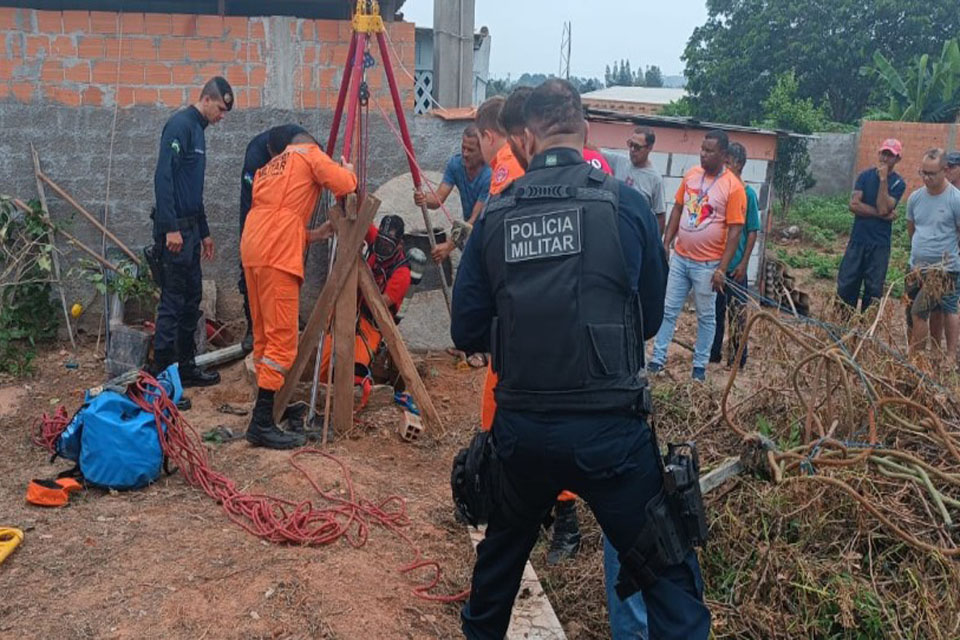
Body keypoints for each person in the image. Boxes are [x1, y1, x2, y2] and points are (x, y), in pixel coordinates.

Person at [452, 78, 708, 640]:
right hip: (611, 437)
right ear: (584, 131)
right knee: (672, 583)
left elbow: (465, 329)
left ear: (526, 138)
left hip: (521, 434)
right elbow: (649, 318)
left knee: (495, 578)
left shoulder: (496, 215)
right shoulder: (626, 204)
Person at [241, 130, 357, 449]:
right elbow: (345, 185)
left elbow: (276, 217)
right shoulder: (310, 154)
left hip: (253, 249)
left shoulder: (270, 167)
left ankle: (270, 406)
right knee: (282, 342)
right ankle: (261, 423)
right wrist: (348, 170)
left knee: (264, 337)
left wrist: (314, 234)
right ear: (310, 144)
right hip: (277, 256)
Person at [151, 76, 233, 387]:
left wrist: (205, 231)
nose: (222, 116)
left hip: (191, 232)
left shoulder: (199, 131)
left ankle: (185, 369)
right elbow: (164, 177)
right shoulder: (180, 126)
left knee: (191, 300)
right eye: (221, 109)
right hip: (175, 234)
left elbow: (192, 190)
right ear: (207, 99)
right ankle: (161, 380)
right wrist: (170, 228)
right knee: (172, 303)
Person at [649, 130, 746, 381]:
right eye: (702, 149)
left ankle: (699, 367)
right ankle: (657, 359)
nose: (703, 154)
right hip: (681, 258)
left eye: (709, 151)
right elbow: (678, 208)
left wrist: (721, 268)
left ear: (723, 154)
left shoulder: (733, 187)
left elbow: (735, 231)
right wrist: (666, 241)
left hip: (707, 265)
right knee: (669, 309)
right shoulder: (692, 175)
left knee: (706, 316)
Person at [238, 124, 308, 353]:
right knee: (251, 268)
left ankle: (288, 316)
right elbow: (251, 202)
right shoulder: (256, 156)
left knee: (287, 270)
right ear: (271, 152)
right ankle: (254, 326)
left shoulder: (301, 142)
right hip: (256, 214)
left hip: (286, 215)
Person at [836, 139, 906, 313]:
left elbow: (883, 207)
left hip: (879, 245)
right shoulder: (864, 176)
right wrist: (883, 216)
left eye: (890, 155)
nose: (885, 158)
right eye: (883, 153)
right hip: (858, 240)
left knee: (873, 290)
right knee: (846, 285)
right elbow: (854, 205)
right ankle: (841, 325)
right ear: (879, 154)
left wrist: (883, 180)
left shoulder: (898, 183)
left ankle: (867, 328)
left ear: (897, 159)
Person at [710, 142, 760, 367]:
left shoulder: (748, 194)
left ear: (738, 164)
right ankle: (713, 354)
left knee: (737, 314)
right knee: (715, 313)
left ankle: (738, 359)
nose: (724, 168)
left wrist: (744, 263)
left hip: (735, 267)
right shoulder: (721, 191)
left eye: (728, 163)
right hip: (717, 265)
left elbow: (752, 231)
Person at [905, 148, 960, 357]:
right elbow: (912, 230)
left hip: (943, 269)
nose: (926, 178)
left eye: (931, 174)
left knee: (921, 311)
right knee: (911, 312)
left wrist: (948, 255)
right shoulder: (915, 198)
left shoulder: (955, 199)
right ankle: (924, 354)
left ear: (945, 170)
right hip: (916, 267)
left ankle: (917, 359)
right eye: (923, 173)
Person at [416, 126, 491, 264]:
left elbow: (474, 220)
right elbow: (437, 200)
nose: (465, 154)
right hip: (470, 236)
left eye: (470, 150)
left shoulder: (489, 175)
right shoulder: (456, 164)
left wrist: (449, 246)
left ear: (482, 151)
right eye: (463, 148)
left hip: (489, 235)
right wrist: (423, 198)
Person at [604, 126, 667, 235]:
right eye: (631, 144)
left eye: (637, 147)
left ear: (649, 148)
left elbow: (660, 216)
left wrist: (655, 241)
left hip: (636, 234)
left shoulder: (655, 179)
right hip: (614, 231)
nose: (632, 150)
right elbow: (596, 152)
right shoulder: (619, 161)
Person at [927, 151, 960, 345]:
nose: (948, 171)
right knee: (937, 304)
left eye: (953, 167)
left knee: (950, 305)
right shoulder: (940, 193)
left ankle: (951, 352)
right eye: (946, 167)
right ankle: (936, 347)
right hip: (939, 257)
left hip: (953, 257)